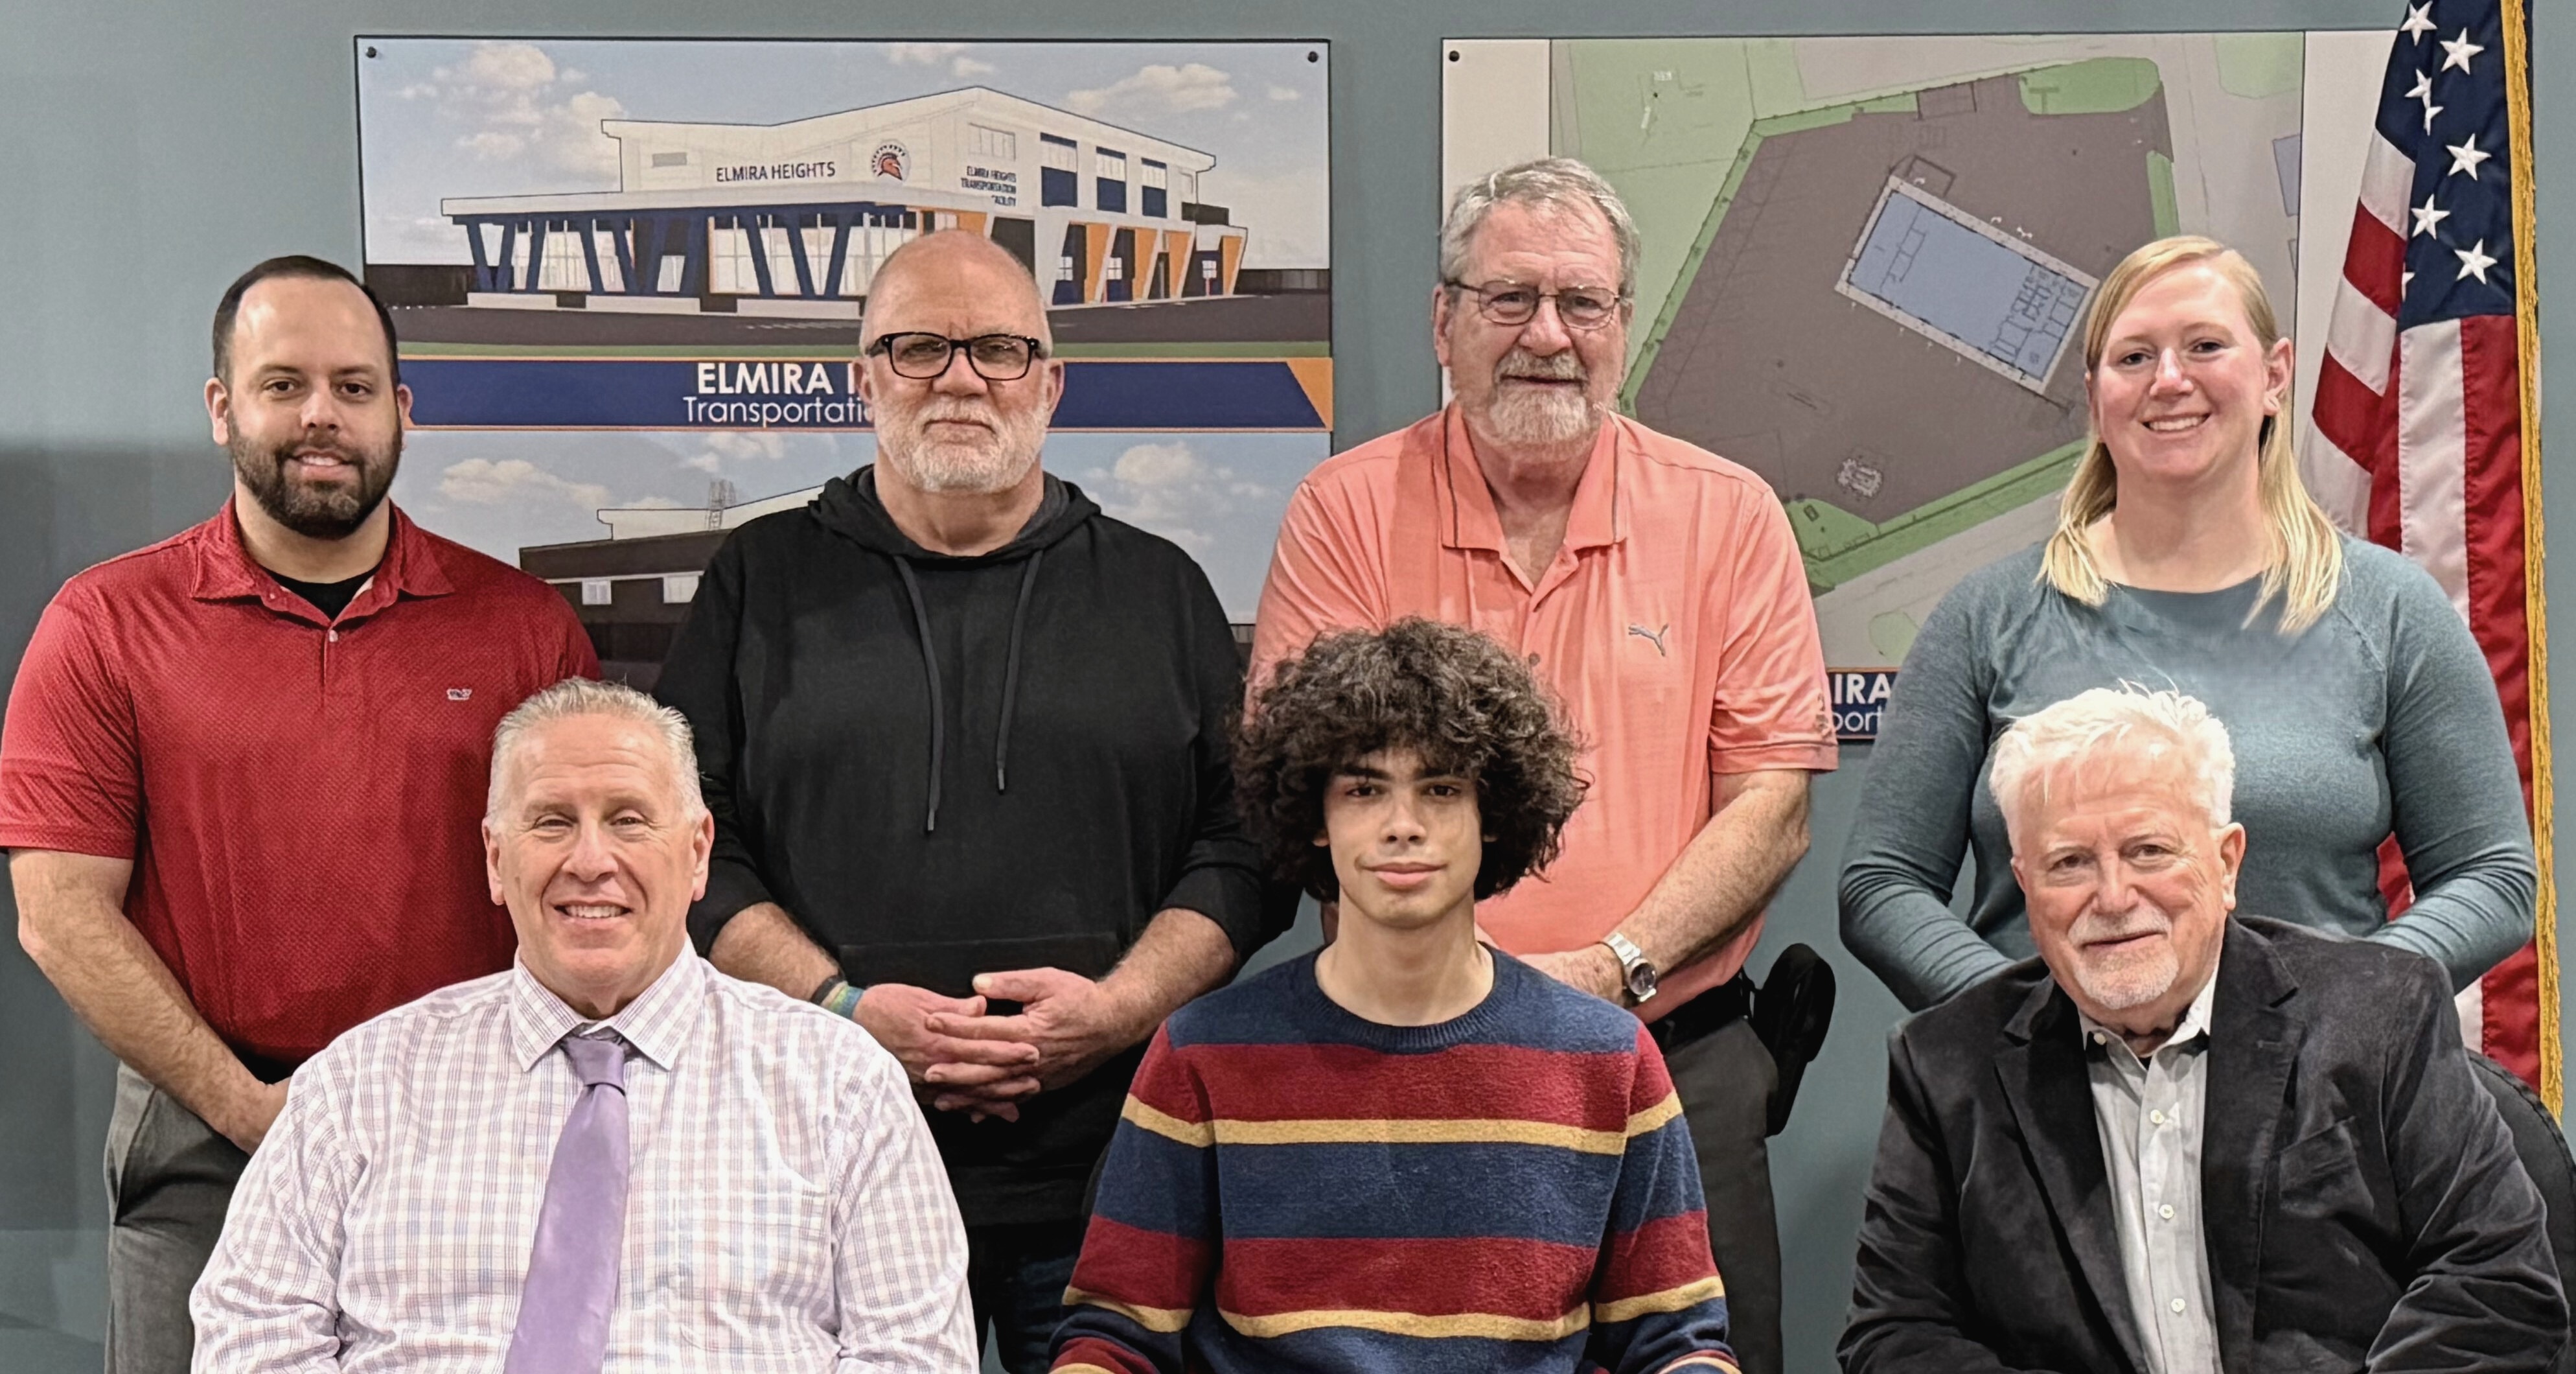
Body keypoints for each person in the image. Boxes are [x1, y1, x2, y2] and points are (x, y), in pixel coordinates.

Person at [653, 230, 1284, 1369]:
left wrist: (1115, 1012)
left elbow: (1245, 849)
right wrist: (845, 1014)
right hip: (819, 1172)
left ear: (1051, 383)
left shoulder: (1160, 590)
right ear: (863, 379)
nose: (959, 379)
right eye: (918, 348)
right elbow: (689, 845)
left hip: (1111, 1182)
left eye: (998, 349)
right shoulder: (758, 583)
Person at [1248, 157, 1832, 1374]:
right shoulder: (1345, 511)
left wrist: (1608, 971)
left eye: (1581, 302)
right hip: (1399, 1060)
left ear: (1623, 323)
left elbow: (1771, 807)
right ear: (1444, 323)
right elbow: (1310, 791)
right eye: (1510, 299)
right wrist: (1479, 996)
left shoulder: (1729, 514)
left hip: (1675, 1053)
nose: (1548, 336)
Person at [0, 255, 597, 1373]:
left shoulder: (523, 628)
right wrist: (249, 1108)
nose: (322, 415)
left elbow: (584, 887)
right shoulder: (104, 625)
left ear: (401, 410)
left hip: (466, 1124)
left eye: (354, 387)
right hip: (206, 1131)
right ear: (222, 406)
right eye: (284, 385)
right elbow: (60, 914)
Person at [190, 678, 978, 1369]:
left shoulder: (842, 1083)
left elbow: (913, 1354)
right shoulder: (359, 1082)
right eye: (551, 822)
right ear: (496, 858)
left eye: (629, 820)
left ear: (698, 852)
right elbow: (252, 1334)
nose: (591, 860)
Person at [1840, 235, 2535, 1013]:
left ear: (2274, 374)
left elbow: (2493, 877)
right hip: (2036, 1081)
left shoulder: (2389, 609)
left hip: (2321, 1078)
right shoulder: (1988, 618)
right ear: (2095, 396)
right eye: (2134, 357)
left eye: (2204, 346)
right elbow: (1882, 883)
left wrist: (2345, 1007)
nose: (2169, 380)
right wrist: (2023, 1019)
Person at [1053, 619, 1739, 1374]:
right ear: (1316, 816)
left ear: (1492, 815)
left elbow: (1678, 1343)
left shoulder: (1608, 1061)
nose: (1402, 826)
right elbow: (1114, 1336)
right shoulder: (1202, 1055)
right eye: (1364, 789)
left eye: (1440, 789)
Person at [1840, 686, 2564, 1373]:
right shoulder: (1945, 1065)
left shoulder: (2381, 1012)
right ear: (2026, 884)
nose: (2113, 897)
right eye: (2070, 863)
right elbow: (1895, 1334)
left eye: (2149, 851)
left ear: (2225, 863)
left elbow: (2497, 1280)